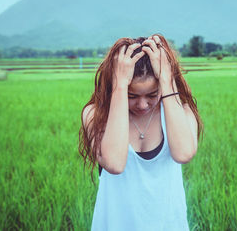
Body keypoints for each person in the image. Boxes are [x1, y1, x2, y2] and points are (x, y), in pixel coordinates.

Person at [79, 34, 203, 231]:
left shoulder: (179, 111)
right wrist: (119, 87)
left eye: (152, 95)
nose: (143, 104)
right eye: (132, 96)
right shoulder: (95, 114)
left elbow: (184, 153)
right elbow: (114, 163)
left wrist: (167, 80)